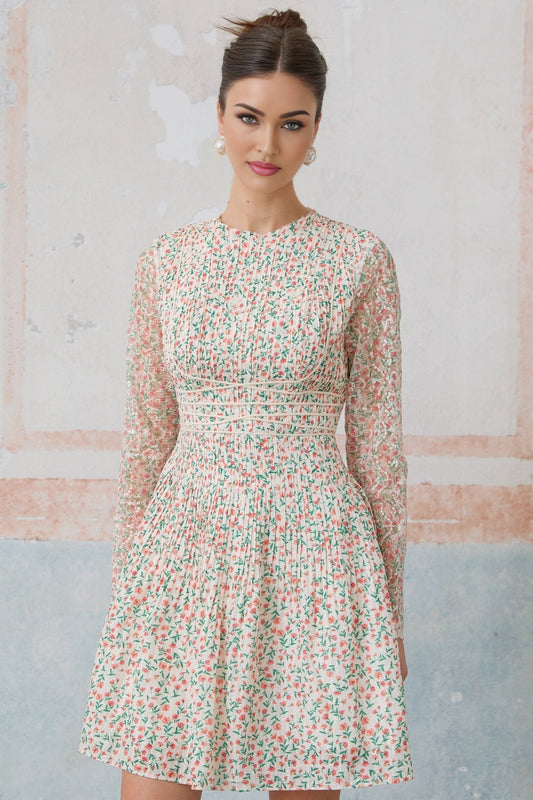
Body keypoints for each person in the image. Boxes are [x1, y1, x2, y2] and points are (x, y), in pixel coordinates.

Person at [79, 8, 413, 799]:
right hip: (183, 552)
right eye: (250, 119)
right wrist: (130, 591)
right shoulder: (166, 264)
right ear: (220, 119)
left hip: (315, 560)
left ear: (316, 128)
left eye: (291, 124)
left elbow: (378, 452)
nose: (267, 146)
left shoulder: (358, 261)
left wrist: (387, 617)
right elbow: (146, 439)